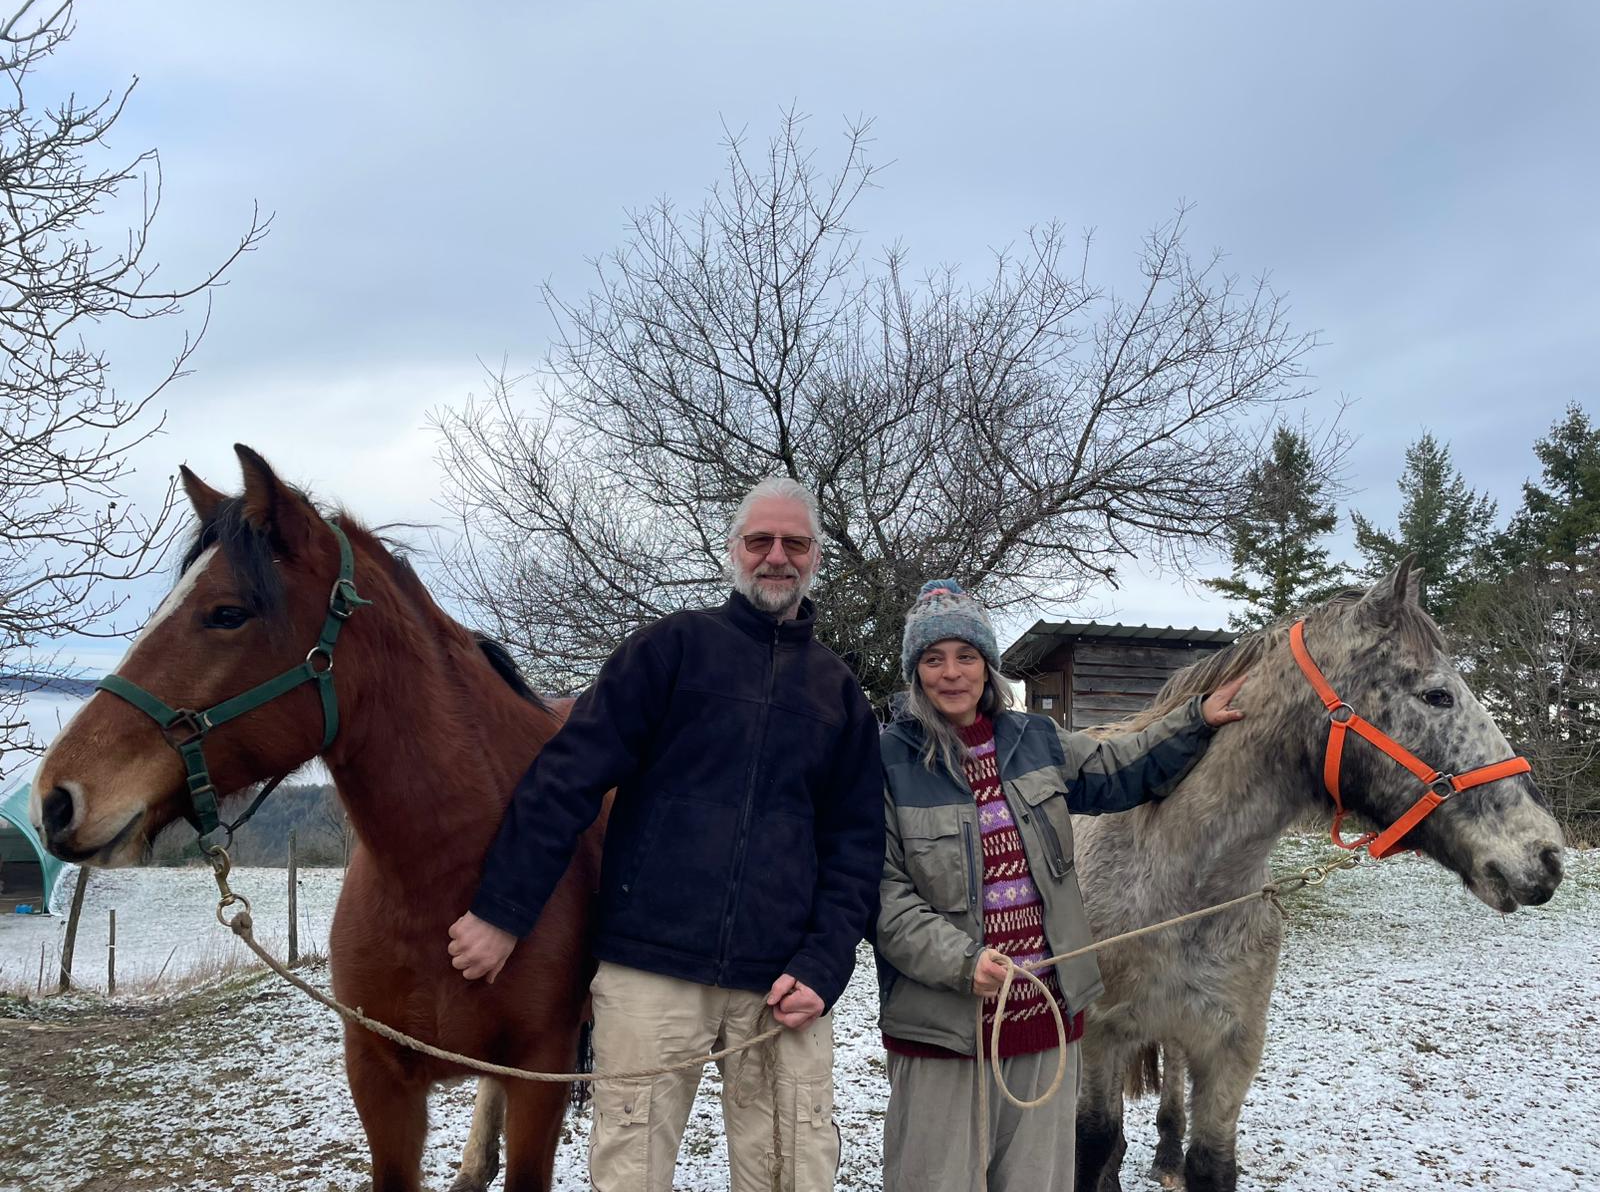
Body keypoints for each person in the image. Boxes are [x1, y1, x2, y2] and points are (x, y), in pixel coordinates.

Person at [446, 477, 884, 1192]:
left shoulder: (839, 695)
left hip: (782, 983)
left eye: (794, 543)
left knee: (792, 1177)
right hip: (651, 969)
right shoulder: (670, 651)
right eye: (759, 541)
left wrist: (826, 964)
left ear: (816, 559)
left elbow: (857, 849)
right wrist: (502, 909)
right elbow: (567, 778)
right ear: (733, 552)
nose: (777, 556)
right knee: (629, 1175)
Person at [875, 580, 1247, 1192]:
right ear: (915, 673)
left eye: (966, 656)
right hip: (944, 1026)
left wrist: (1195, 721)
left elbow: (1122, 767)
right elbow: (884, 897)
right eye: (932, 659)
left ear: (988, 667)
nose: (951, 673)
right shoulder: (886, 760)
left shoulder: (1036, 741)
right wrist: (961, 962)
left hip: (1044, 1022)